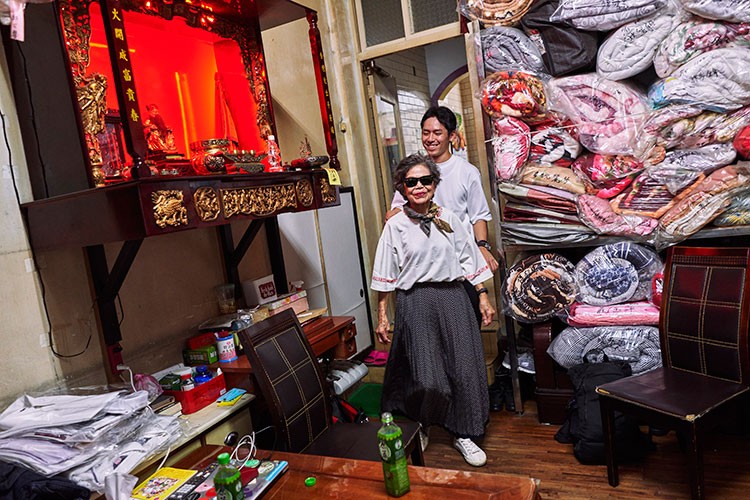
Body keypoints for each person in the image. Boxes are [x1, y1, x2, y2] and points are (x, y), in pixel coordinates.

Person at [372, 153, 496, 467]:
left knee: (464, 370)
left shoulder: (450, 218)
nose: (419, 186)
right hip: (415, 301)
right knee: (426, 376)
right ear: (402, 187)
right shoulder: (396, 225)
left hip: (453, 298)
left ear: (435, 184)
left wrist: (482, 297)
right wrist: (383, 314)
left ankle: (463, 433)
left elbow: (469, 260)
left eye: (425, 180)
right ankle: (422, 424)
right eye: (411, 181)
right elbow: (386, 271)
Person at [388, 106, 498, 323]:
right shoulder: (414, 172)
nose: (430, 139)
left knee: (465, 327)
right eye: (426, 133)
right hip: (424, 267)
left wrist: (482, 246)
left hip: (459, 264)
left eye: (437, 133)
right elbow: (395, 212)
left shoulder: (466, 171)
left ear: (451, 136)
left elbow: (478, 215)